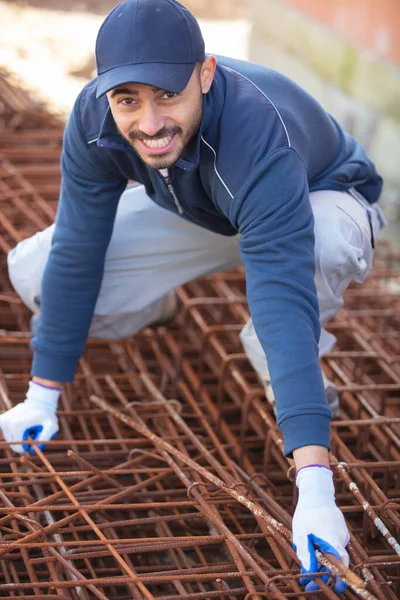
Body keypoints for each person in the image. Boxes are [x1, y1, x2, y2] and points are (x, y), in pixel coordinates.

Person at [0, 0, 386, 592]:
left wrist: (315, 491)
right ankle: (163, 306)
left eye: (167, 96)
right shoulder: (95, 120)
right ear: (105, 93)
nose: (149, 122)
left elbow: (281, 295)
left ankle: (274, 356)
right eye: (128, 99)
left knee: (315, 260)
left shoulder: (258, 135)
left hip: (313, 198)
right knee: (34, 273)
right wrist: (42, 394)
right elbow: (79, 247)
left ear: (206, 74)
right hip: (203, 204)